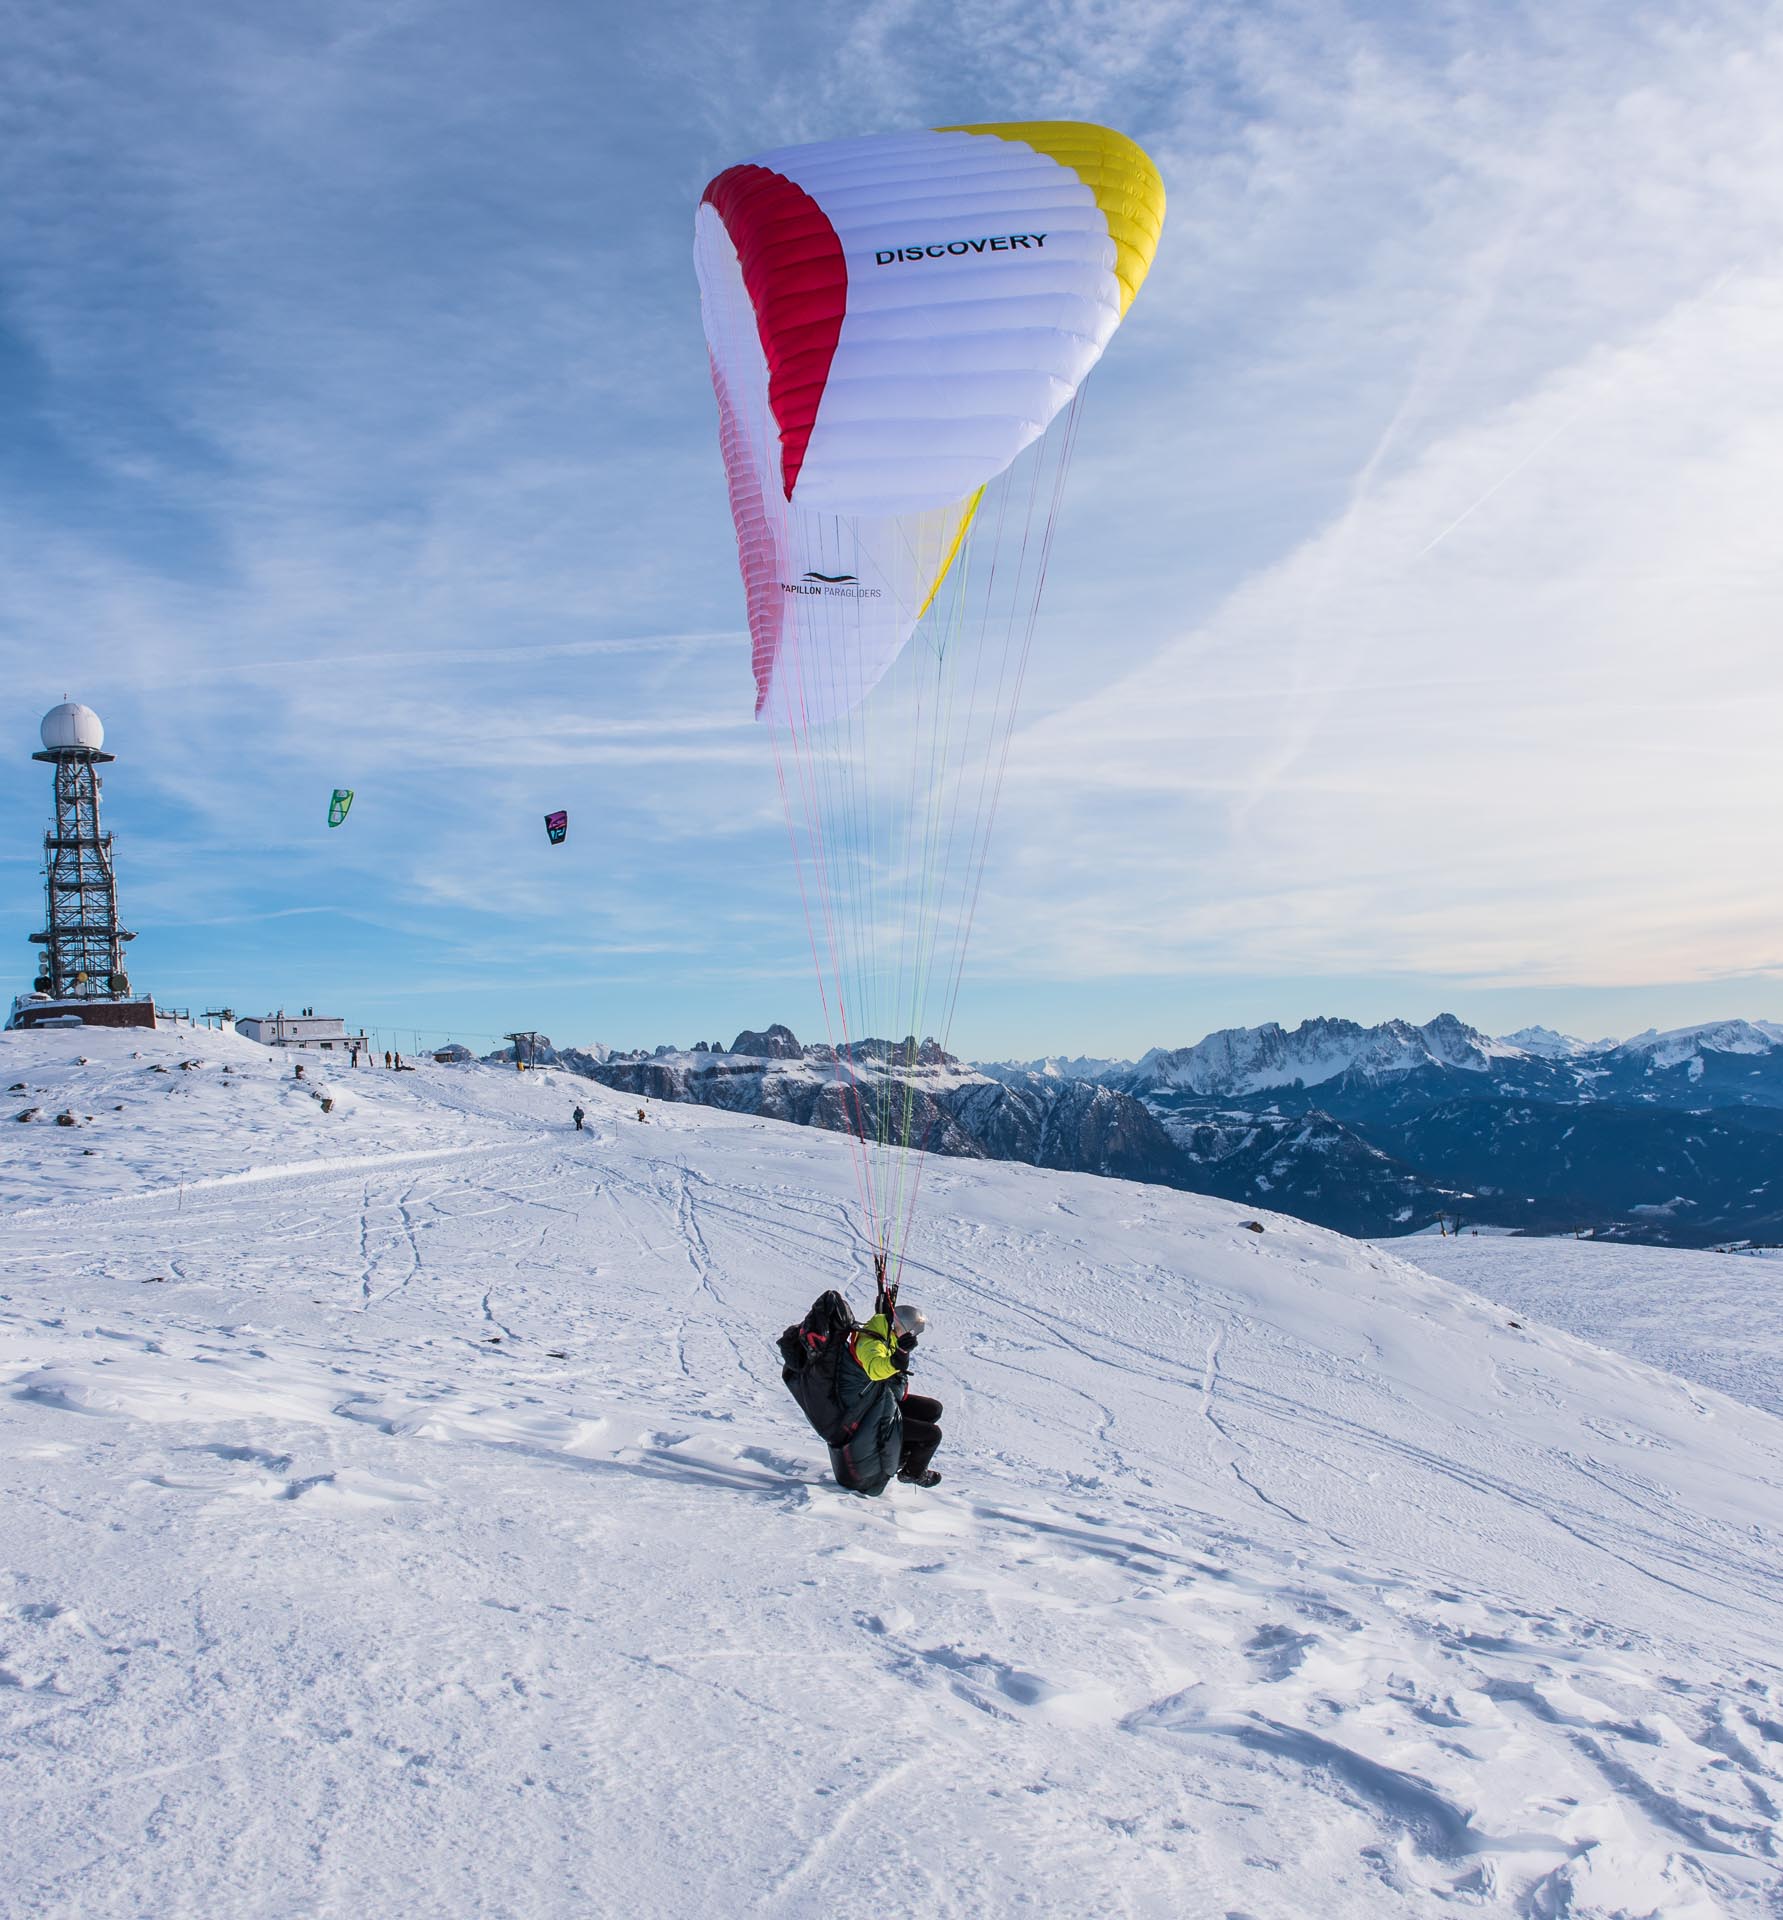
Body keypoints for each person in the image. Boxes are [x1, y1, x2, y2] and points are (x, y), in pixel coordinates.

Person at [829, 1286, 942, 1495]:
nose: (912, 1336)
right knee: (932, 1435)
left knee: (932, 1409)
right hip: (871, 1413)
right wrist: (900, 1354)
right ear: (899, 1326)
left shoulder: (886, 1330)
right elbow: (875, 1369)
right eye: (911, 1331)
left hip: (882, 1400)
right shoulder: (871, 1342)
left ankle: (901, 1453)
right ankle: (912, 1473)